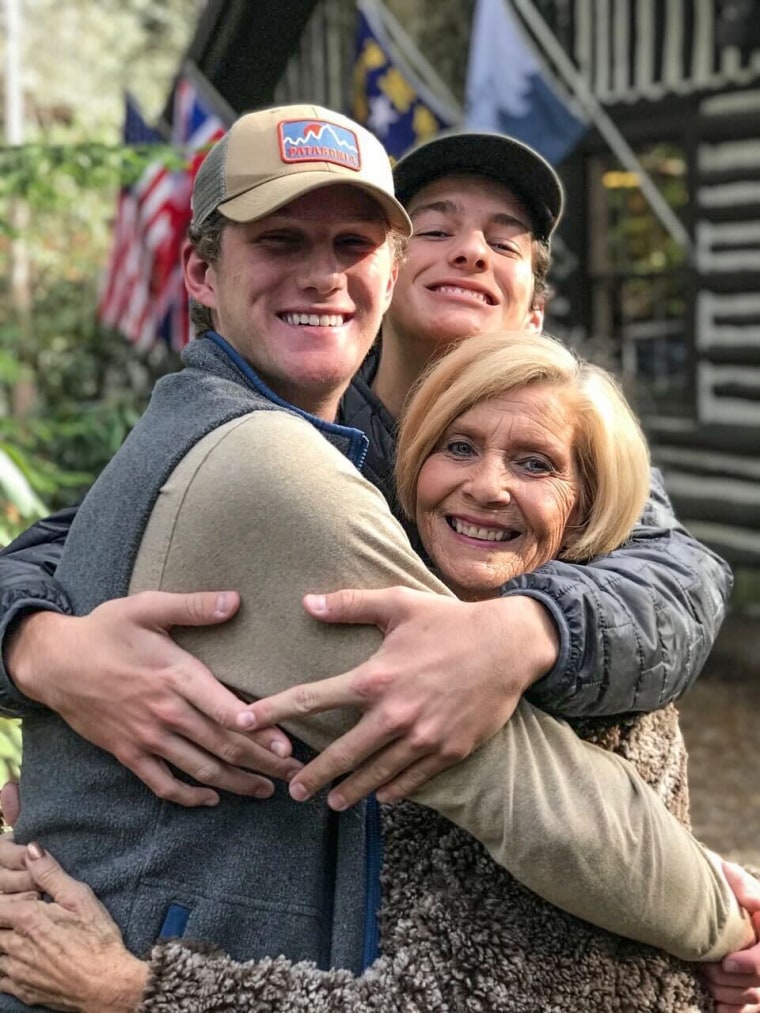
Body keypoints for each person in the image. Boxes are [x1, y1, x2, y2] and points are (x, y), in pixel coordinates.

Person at [0, 332, 758, 1012]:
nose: (488, 484)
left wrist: (136, 990)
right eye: (457, 447)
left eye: (534, 463)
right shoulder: (361, 597)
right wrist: (38, 660)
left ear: (585, 502)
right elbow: (74, 540)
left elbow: (458, 994)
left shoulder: (595, 694)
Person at [0, 132, 732, 816]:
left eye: (504, 241)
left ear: (535, 312)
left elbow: (679, 580)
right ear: (384, 269)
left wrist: (528, 630)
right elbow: (74, 543)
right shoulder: (289, 429)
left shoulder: (583, 448)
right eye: (436, 231)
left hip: (530, 822)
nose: (471, 252)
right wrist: (40, 648)